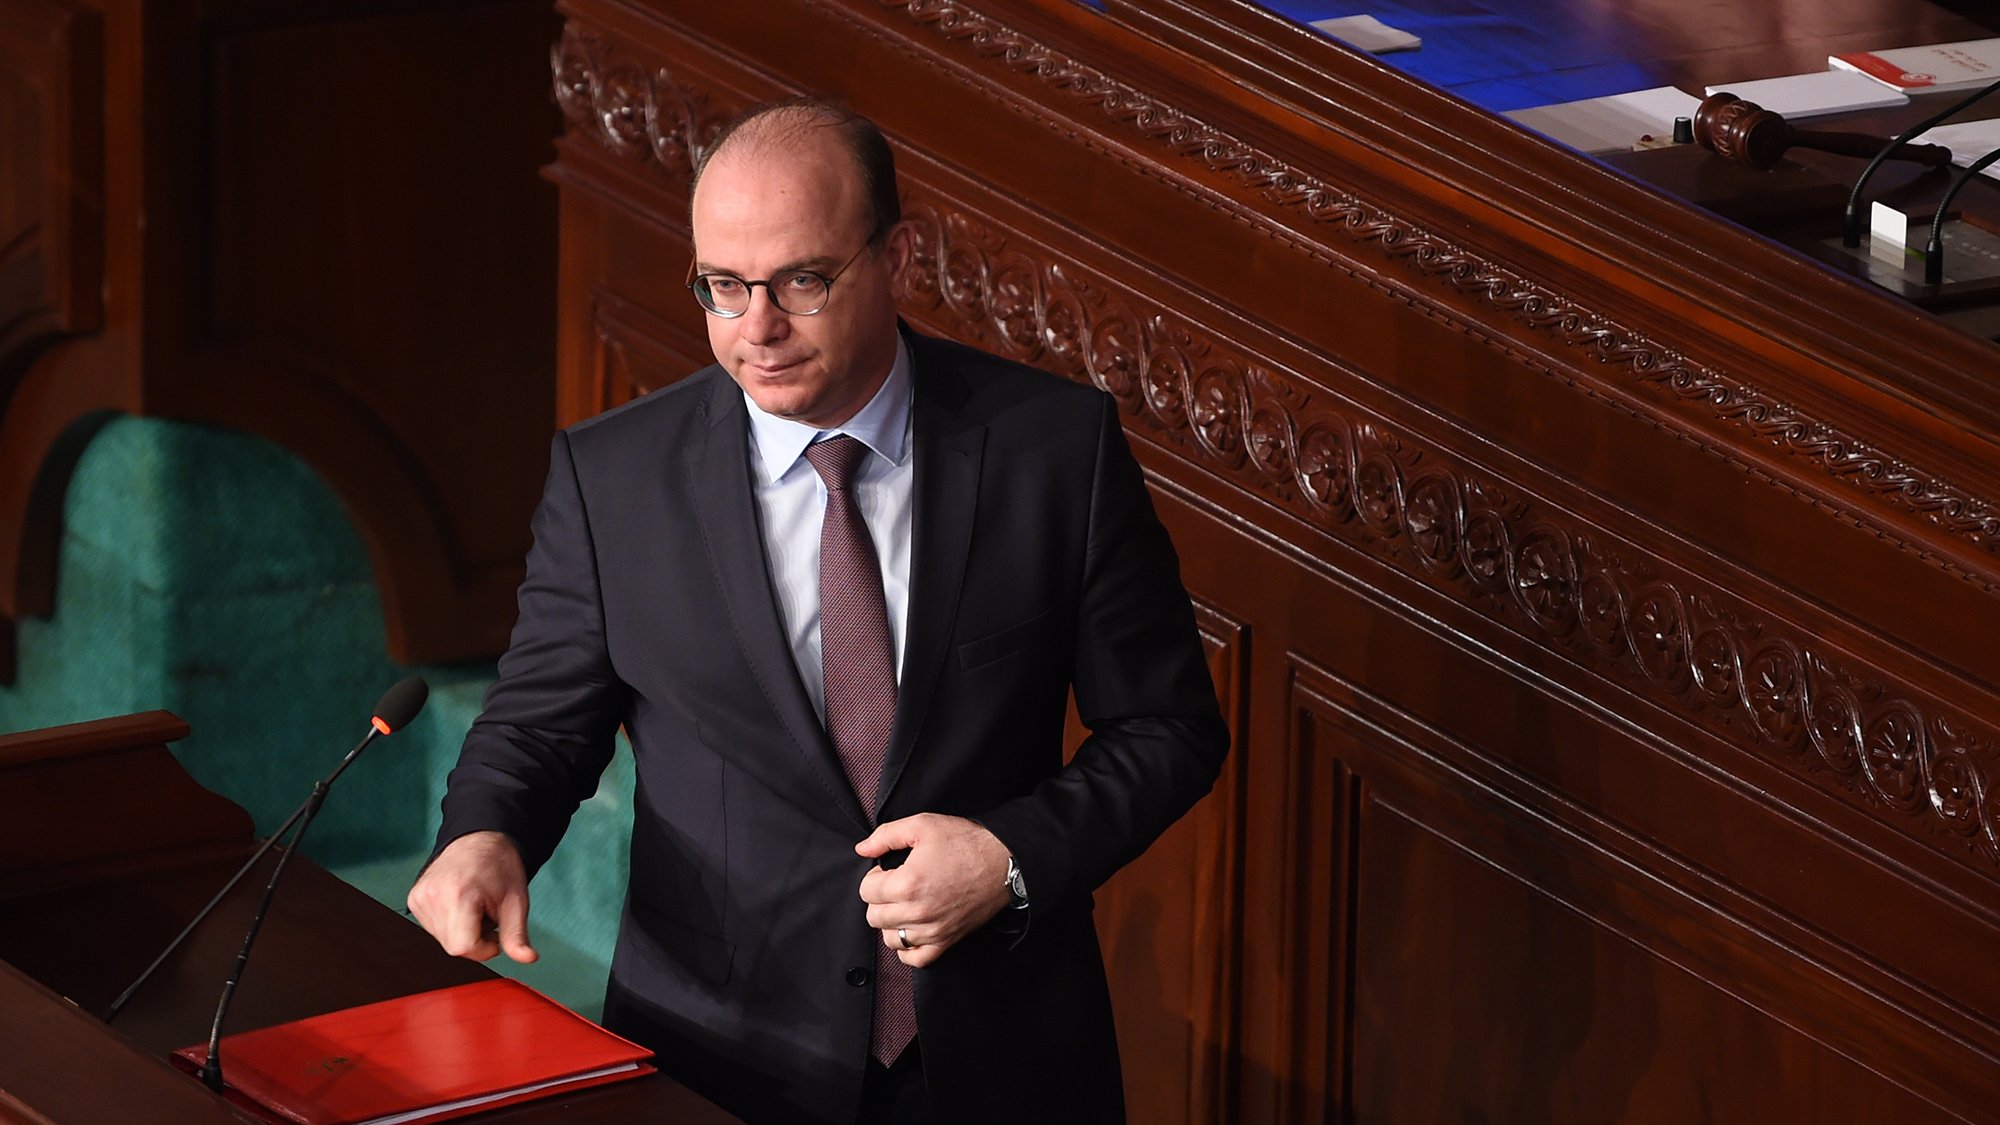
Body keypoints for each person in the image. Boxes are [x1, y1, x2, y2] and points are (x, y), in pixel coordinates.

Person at [407, 95, 1227, 1125]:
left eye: (801, 279)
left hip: (994, 1056)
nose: (758, 327)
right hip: (718, 1051)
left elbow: (1167, 728)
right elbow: (539, 723)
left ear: (897, 258)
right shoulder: (611, 479)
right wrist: (483, 834)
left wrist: (1012, 856)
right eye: (722, 285)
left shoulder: (1052, 453)